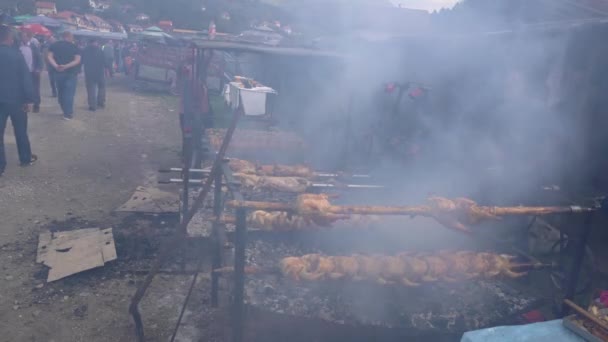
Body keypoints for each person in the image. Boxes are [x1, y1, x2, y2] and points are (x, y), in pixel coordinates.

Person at [0, 25, 37, 176]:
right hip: (17, 100)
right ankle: (25, 158)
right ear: (9, 38)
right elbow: (25, 78)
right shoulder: (17, 54)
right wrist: (29, 99)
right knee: (21, 131)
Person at [48, 31, 81, 120]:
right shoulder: (74, 47)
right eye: (72, 37)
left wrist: (56, 66)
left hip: (58, 72)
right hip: (71, 73)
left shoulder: (54, 45)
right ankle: (68, 114)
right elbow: (77, 60)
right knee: (69, 94)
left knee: (61, 92)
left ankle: (64, 109)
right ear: (69, 37)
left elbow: (49, 57)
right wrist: (66, 66)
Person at [19, 31, 43, 113]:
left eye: (25, 36)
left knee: (35, 89)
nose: (23, 38)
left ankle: (36, 104)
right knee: (23, 88)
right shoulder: (18, 47)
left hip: (33, 71)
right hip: (22, 72)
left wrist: (39, 68)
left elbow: (39, 58)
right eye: (22, 36)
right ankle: (25, 104)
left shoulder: (33, 47)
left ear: (29, 38)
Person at [81, 38, 106, 111]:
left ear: (89, 43)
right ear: (96, 42)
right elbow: (104, 60)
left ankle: (92, 106)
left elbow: (82, 61)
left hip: (89, 72)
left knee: (91, 89)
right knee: (102, 87)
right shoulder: (100, 50)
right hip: (100, 72)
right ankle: (101, 103)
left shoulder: (85, 50)